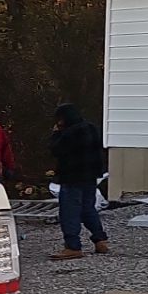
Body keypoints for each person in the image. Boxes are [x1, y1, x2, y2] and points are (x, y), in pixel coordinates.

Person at [50, 102, 108, 260]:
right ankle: (100, 239)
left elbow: (56, 149)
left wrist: (56, 134)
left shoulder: (69, 133)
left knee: (69, 212)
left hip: (71, 177)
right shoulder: (91, 128)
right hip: (90, 176)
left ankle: (72, 246)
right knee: (88, 209)